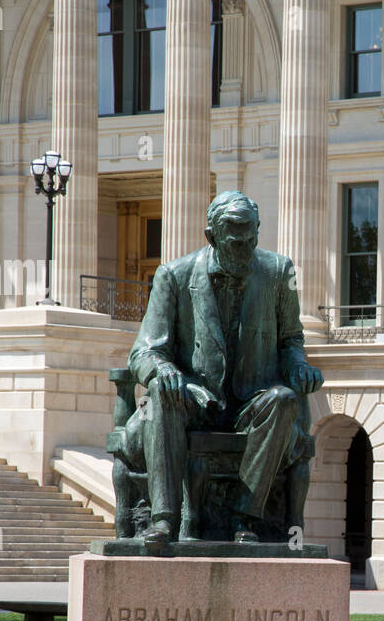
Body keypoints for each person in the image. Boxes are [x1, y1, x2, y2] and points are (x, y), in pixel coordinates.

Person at [123, 190, 324, 546]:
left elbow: (291, 340)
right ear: (212, 236)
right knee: (160, 390)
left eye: (251, 238)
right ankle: (164, 519)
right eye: (236, 241)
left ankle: (246, 518)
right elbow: (144, 352)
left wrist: (300, 367)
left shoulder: (278, 272)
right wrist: (162, 371)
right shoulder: (174, 276)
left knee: (284, 399)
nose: (245, 247)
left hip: (252, 400)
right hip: (193, 401)